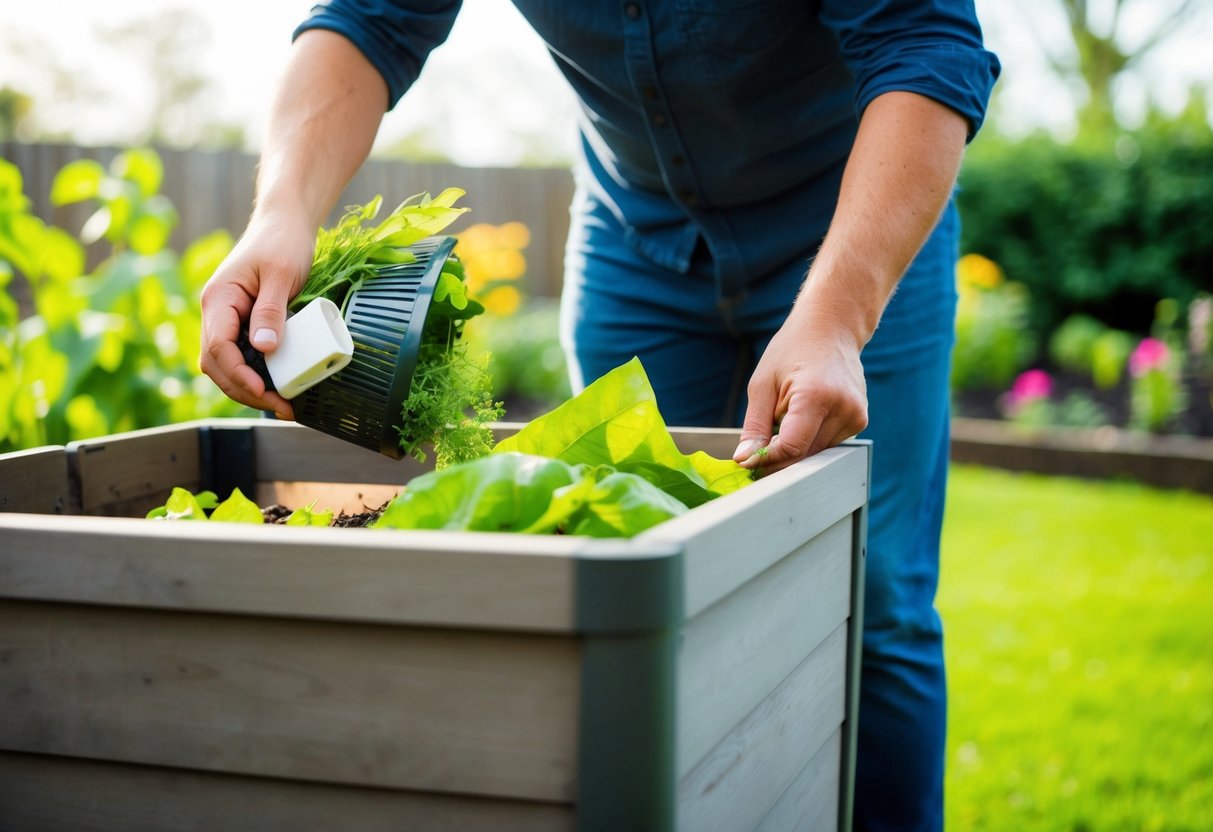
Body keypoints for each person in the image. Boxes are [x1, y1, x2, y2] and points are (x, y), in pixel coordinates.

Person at [200, 3, 999, 828]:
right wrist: (280, 208)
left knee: (873, 600)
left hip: (854, 226)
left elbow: (922, 42)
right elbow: (371, 20)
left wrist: (837, 315)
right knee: (644, 576)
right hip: (635, 234)